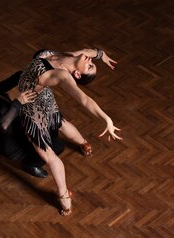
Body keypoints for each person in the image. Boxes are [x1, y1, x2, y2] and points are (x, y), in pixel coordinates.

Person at [18, 47, 121, 216]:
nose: (89, 61)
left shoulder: (63, 76)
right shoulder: (72, 56)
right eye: (91, 63)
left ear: (78, 75)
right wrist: (102, 56)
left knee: (47, 155)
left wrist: (106, 119)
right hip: (42, 95)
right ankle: (83, 143)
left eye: (89, 67)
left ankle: (64, 197)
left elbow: (85, 100)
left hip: (31, 106)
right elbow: (90, 51)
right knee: (60, 121)